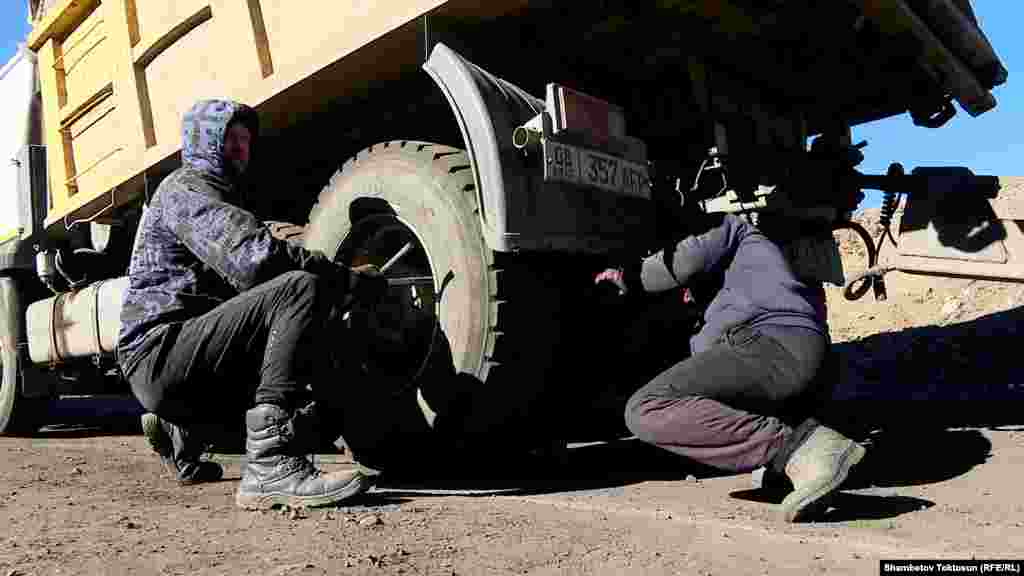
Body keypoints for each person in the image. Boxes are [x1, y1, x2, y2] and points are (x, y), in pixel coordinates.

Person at [117, 98, 388, 510]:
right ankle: (269, 466)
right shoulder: (184, 189)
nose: (241, 148)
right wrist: (348, 280)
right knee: (297, 288)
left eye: (245, 140)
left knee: (314, 413)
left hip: (190, 358)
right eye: (229, 139)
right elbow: (256, 260)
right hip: (160, 352)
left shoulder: (221, 195)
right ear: (203, 143)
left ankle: (181, 435)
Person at [595, 210, 866, 523]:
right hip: (811, 356)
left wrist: (627, 276)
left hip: (772, 348)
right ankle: (794, 465)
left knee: (647, 407)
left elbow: (684, 262)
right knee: (711, 381)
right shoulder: (768, 257)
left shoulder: (731, 225)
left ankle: (800, 449)